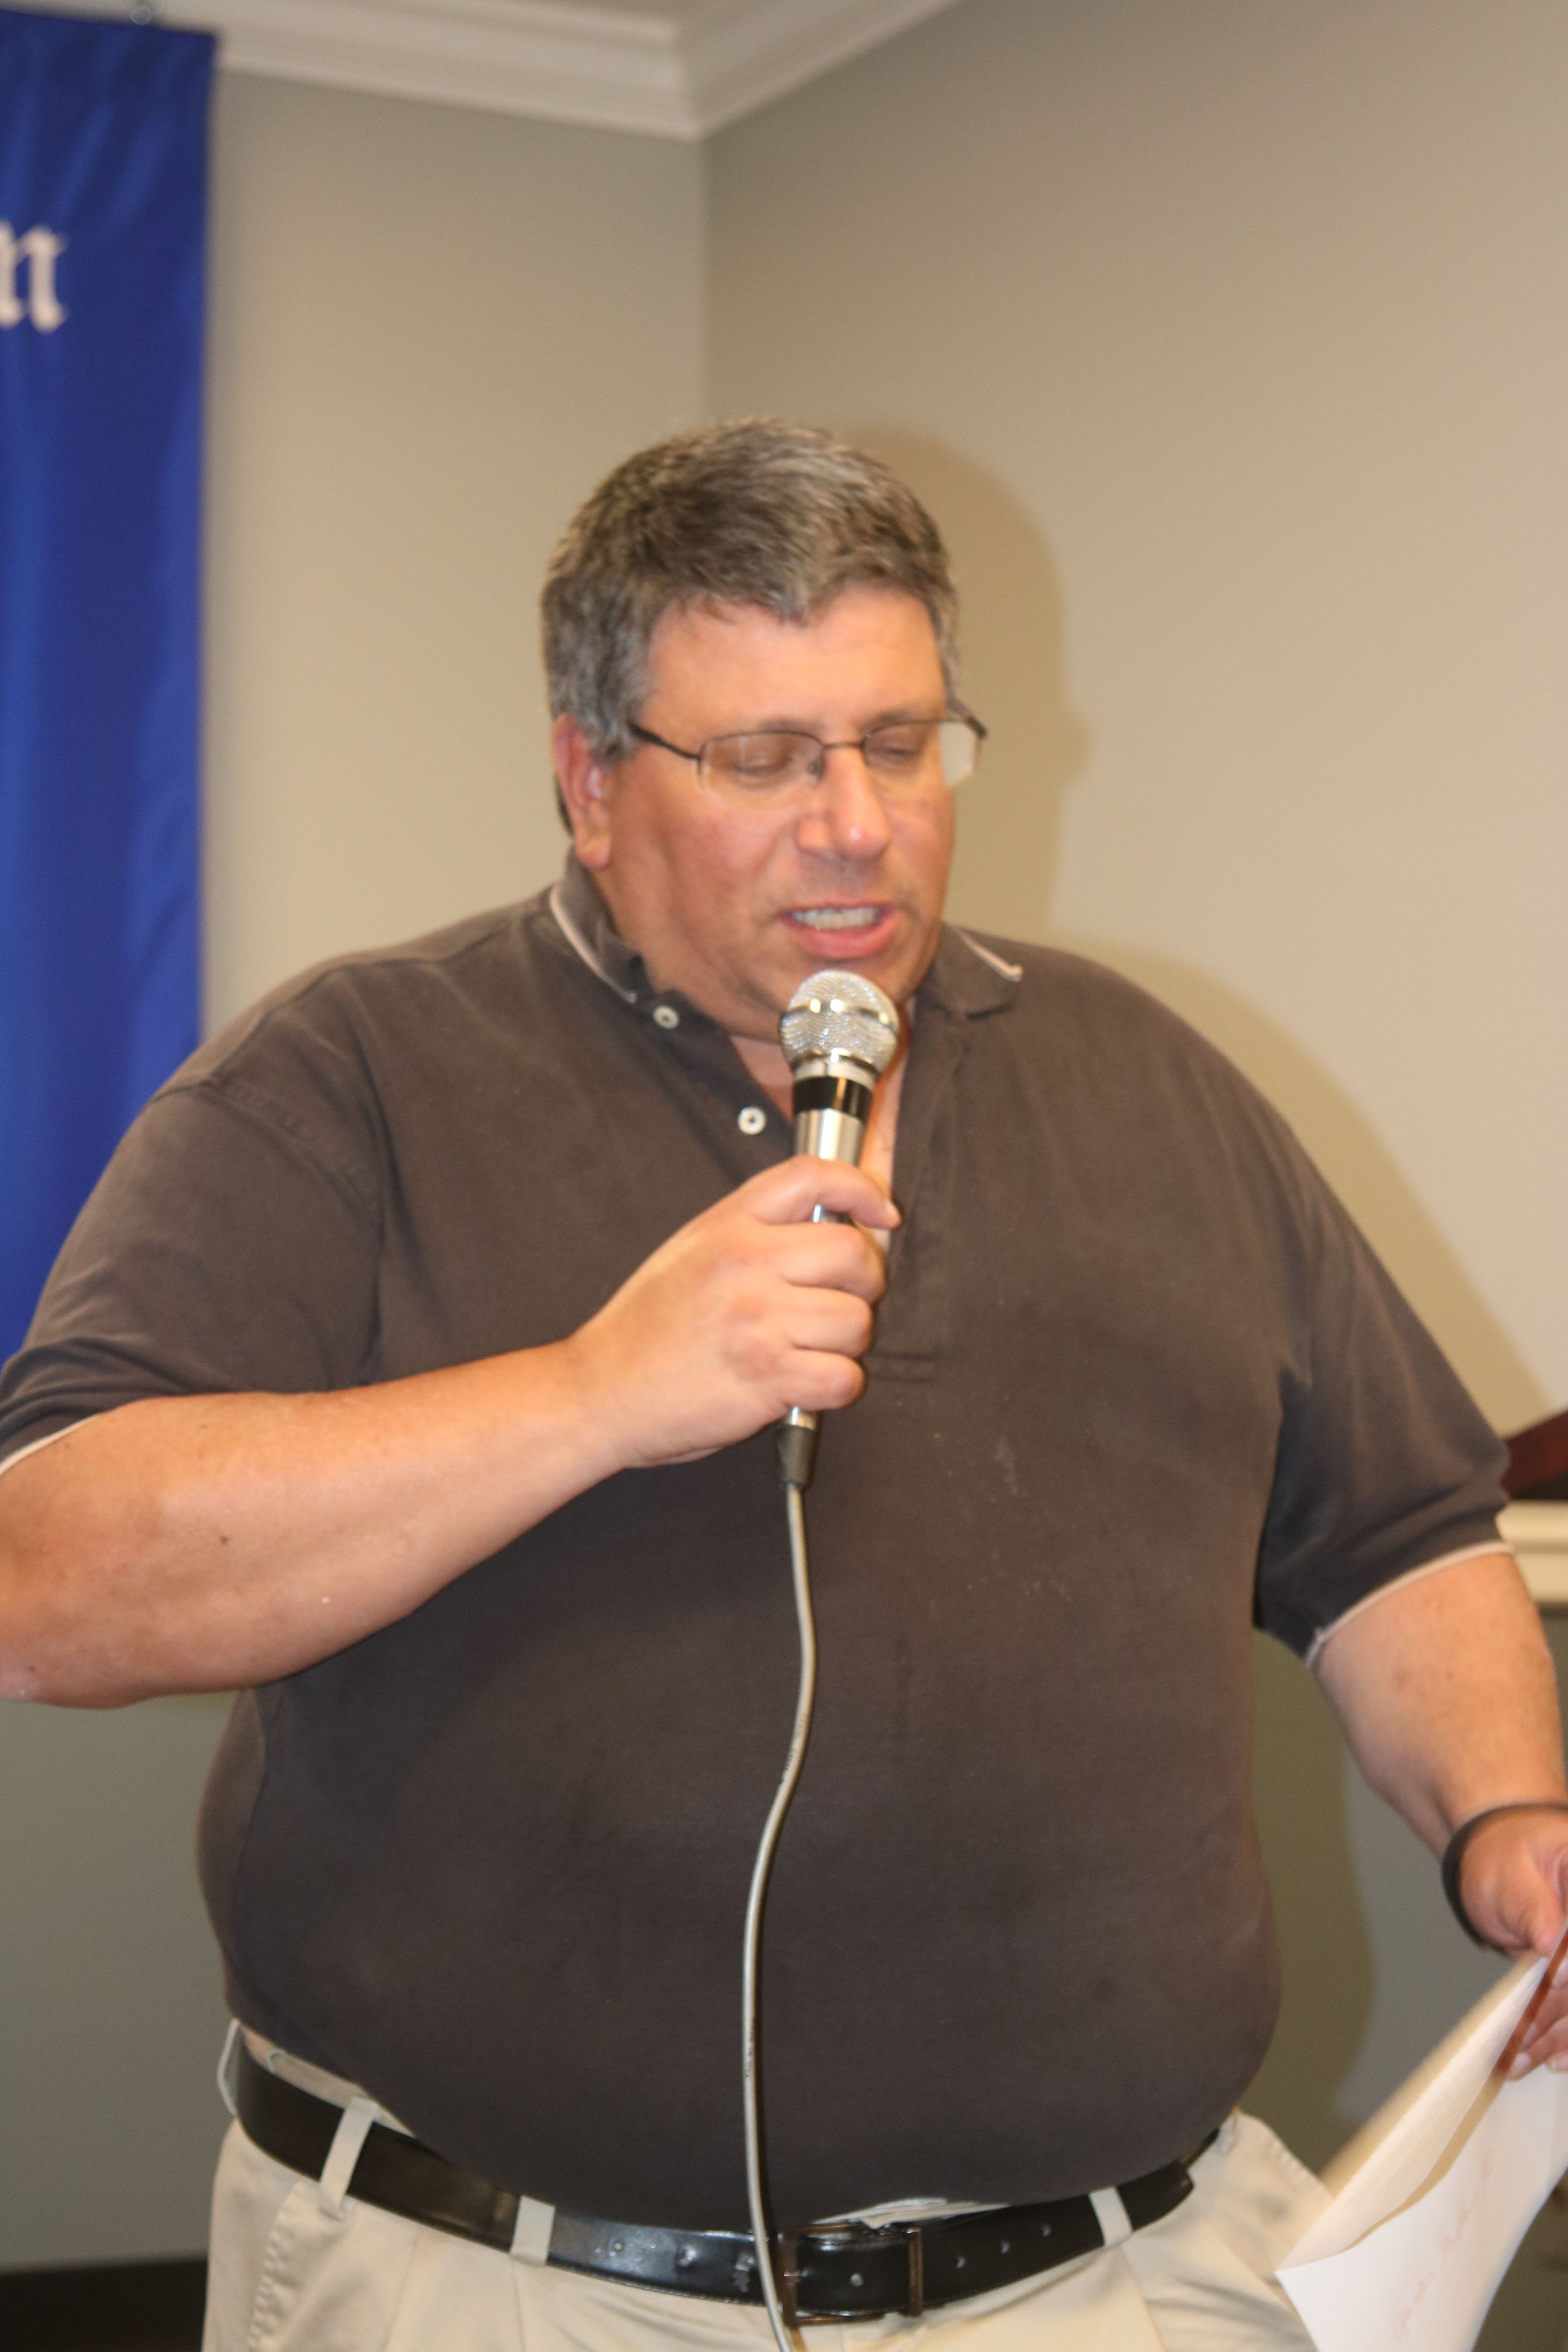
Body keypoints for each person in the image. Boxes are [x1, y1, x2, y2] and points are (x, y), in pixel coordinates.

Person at [2, 420, 1566, 2352]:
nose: (855, 822)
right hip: (503, 2281)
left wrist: (1505, 1814)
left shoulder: (1150, 1084)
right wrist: (595, 1393)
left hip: (1125, 2272)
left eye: (900, 744)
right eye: (763, 759)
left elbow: (1396, 1534)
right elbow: (46, 1579)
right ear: (590, 782)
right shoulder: (350, 1080)